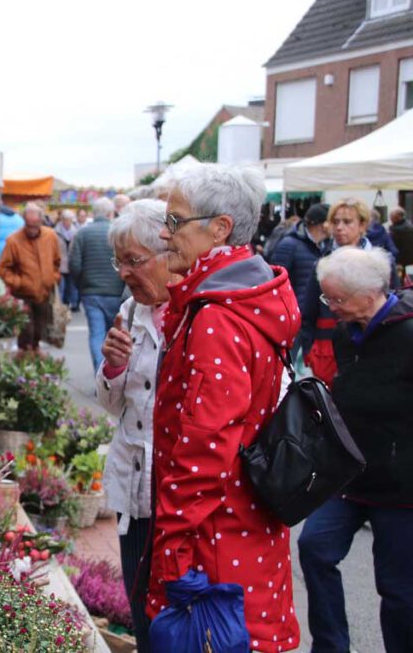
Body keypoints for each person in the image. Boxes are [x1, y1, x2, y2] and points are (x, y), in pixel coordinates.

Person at [148, 163, 301, 652]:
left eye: (174, 221)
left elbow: (204, 444)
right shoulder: (246, 298)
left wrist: (171, 545)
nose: (163, 233)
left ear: (220, 229)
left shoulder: (216, 316)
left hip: (214, 531)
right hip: (246, 522)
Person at [298, 246, 413, 653]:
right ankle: (331, 646)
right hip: (348, 471)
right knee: (314, 548)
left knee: (398, 589)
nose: (331, 307)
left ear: (370, 294)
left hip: (401, 484)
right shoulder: (347, 331)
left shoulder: (407, 332)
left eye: (337, 300)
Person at [96, 199, 180, 653]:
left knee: (174, 611)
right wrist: (111, 367)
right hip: (136, 488)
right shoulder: (130, 311)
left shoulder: (198, 313)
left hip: (180, 491)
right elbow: (114, 404)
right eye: (120, 261)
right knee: (140, 603)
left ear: (167, 253)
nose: (124, 272)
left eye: (134, 260)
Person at [300, 198, 393, 386]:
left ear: (362, 225)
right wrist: (309, 348)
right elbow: (308, 310)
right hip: (327, 349)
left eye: (347, 222)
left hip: (373, 345)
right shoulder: (323, 261)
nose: (340, 227)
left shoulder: (379, 261)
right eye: (335, 222)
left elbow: (391, 301)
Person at [69, 197, 125, 372]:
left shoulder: (82, 233)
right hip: (116, 292)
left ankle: (100, 375)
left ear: (93, 213)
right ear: (111, 213)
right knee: (114, 334)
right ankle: (111, 376)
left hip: (91, 292)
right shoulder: (117, 233)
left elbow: (74, 264)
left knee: (96, 334)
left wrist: (82, 285)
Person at [0, 202, 61, 351]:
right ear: (24, 221)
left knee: (40, 331)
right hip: (23, 294)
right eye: (29, 225)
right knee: (26, 332)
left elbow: (57, 261)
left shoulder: (50, 236)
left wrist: (53, 277)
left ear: (41, 221)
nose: (32, 229)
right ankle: (25, 359)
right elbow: (3, 269)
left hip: (45, 293)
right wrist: (19, 283)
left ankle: (35, 361)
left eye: (35, 224)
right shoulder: (13, 240)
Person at [268, 202, 329, 356]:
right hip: (292, 318)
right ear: (322, 224)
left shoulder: (324, 246)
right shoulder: (289, 244)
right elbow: (275, 281)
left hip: (313, 318)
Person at [54, 209, 81, 312]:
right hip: (60, 264)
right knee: (61, 286)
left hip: (72, 264)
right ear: (62, 220)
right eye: (65, 219)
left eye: (69, 220)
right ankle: (61, 305)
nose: (67, 222)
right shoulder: (55, 232)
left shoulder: (77, 232)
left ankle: (72, 304)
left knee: (72, 286)